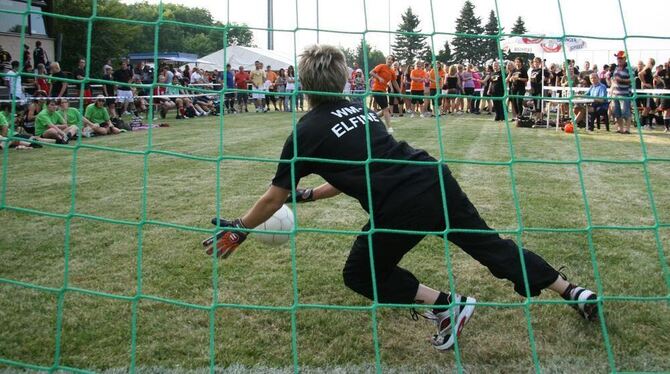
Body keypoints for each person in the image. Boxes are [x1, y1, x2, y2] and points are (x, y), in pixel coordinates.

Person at [202, 44, 599, 351]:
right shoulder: (363, 111)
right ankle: (573, 291)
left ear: (303, 84)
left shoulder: (306, 132)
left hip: (399, 203)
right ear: (343, 80)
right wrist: (310, 196)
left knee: (361, 275)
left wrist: (240, 228)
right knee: (489, 246)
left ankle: (447, 305)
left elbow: (274, 198)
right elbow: (359, 168)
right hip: (432, 178)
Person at [370, 55, 401, 133]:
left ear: (393, 62)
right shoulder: (381, 66)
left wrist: (399, 91)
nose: (390, 60)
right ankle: (389, 128)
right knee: (386, 109)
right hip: (376, 90)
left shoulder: (392, 71)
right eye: (388, 59)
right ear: (386, 60)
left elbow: (394, 82)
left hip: (383, 91)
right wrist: (379, 78)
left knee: (385, 111)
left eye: (391, 60)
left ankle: (371, 118)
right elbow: (371, 72)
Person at [611, 51, 632, 134]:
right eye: (618, 58)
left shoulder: (629, 68)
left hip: (625, 94)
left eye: (620, 58)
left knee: (626, 112)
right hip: (616, 94)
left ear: (625, 59)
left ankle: (628, 129)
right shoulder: (616, 68)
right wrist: (611, 92)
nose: (618, 59)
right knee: (617, 113)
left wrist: (622, 80)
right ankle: (620, 129)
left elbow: (632, 80)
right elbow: (613, 81)